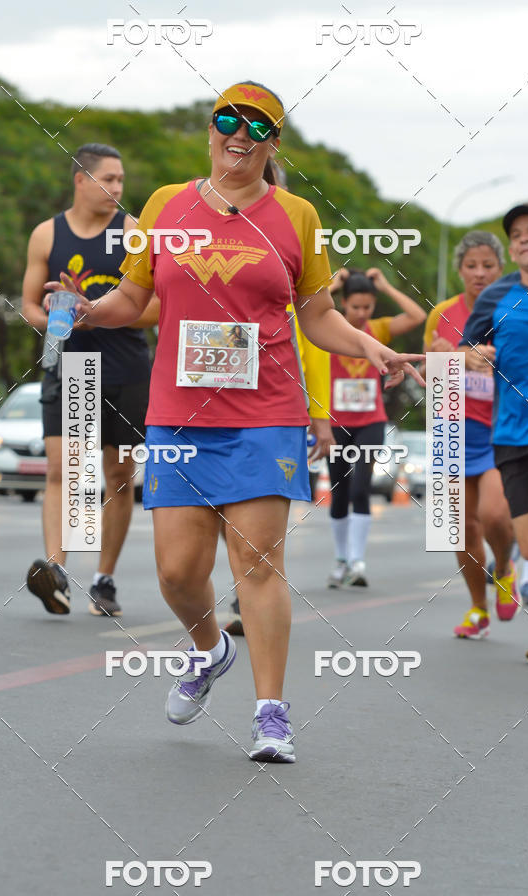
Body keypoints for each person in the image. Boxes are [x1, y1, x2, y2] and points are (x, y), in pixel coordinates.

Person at [47, 81, 424, 762]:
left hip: (265, 414)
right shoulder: (165, 205)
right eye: (228, 119)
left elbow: (316, 314)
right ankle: (208, 649)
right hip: (179, 418)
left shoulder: (297, 216)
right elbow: (134, 298)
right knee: (175, 574)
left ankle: (271, 714)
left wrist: (368, 344)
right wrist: (86, 308)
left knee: (257, 563)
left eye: (257, 125)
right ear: (212, 129)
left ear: (273, 143)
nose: (239, 133)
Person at [21, 143, 158, 617]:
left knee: (118, 477)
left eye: (122, 180)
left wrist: (96, 313)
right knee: (64, 471)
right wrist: (59, 315)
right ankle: (55, 573)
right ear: (81, 180)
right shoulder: (46, 235)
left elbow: (157, 307)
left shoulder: (133, 232)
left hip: (125, 369)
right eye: (109, 179)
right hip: (68, 365)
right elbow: (29, 307)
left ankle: (104, 579)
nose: (118, 189)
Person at [224, 160, 334, 636]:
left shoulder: (292, 255)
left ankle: (244, 594)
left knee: (255, 537)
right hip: (202, 411)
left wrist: (319, 414)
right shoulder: (204, 242)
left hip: (271, 409)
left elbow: (316, 344)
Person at [461, 203, 528, 665]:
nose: (525, 239)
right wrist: (475, 355)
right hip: (512, 435)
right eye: (517, 234)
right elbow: (465, 349)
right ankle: (515, 569)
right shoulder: (497, 297)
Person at [424, 231, 518, 638]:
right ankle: (478, 610)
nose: (480, 274)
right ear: (460, 270)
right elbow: (428, 373)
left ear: (501, 269)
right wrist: (449, 359)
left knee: (495, 514)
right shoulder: (442, 312)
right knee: (459, 529)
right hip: (452, 429)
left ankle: (507, 568)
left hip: (500, 429)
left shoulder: (515, 309)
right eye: (471, 266)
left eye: (488, 266)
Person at [327, 268, 426, 587]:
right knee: (339, 491)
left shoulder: (379, 330)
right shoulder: (327, 330)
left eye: (367, 307)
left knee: (360, 488)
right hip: (335, 422)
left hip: (370, 420)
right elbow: (297, 311)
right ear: (343, 303)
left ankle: (357, 561)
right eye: (355, 307)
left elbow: (416, 314)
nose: (361, 313)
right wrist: (331, 284)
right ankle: (341, 560)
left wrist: (384, 286)